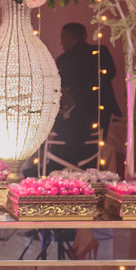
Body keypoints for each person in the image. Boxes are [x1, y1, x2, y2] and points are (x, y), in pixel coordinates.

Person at [51, 22, 121, 166]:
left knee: (62, 136)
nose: (61, 42)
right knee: (96, 143)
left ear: (71, 37)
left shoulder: (65, 59)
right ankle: (90, 167)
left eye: (63, 38)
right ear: (85, 36)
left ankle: (63, 165)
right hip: (102, 110)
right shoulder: (101, 52)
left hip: (77, 117)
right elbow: (111, 74)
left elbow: (61, 87)